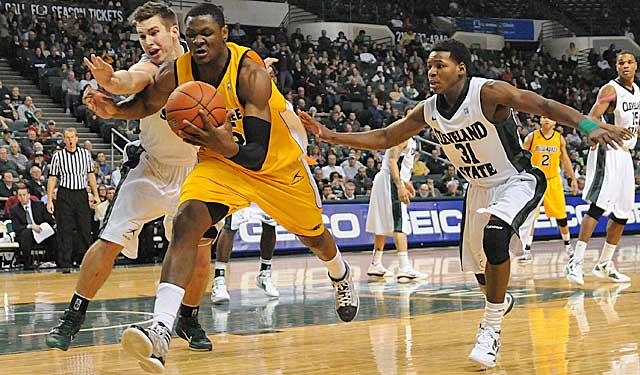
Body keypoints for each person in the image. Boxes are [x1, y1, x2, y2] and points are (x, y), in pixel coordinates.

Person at [298, 39, 629, 369]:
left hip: (516, 180)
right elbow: (387, 137)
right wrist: (331, 136)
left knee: (496, 237)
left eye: (440, 65)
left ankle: (491, 329)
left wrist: (588, 126)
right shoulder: (428, 109)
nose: (432, 71)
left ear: (461, 68)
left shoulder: (487, 93)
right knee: (480, 272)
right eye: (429, 65)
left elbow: (542, 105)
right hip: (477, 189)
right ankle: (498, 300)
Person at [84, 4, 359, 372]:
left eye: (207, 34)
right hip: (221, 164)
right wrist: (113, 110)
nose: (199, 41)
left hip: (274, 167)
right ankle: (161, 330)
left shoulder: (251, 72)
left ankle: (340, 274)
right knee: (187, 222)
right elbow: (147, 102)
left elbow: (257, 153)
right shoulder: (178, 71)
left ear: (225, 33)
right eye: (193, 34)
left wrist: (222, 142)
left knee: (315, 238)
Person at [46, 2, 219, 354]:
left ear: (174, 32)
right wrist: (110, 81)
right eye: (142, 36)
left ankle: (189, 318)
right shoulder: (150, 67)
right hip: (151, 167)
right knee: (108, 240)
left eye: (154, 32)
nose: (148, 41)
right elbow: (131, 79)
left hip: (197, 171)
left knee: (200, 253)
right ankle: (73, 317)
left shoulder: (204, 63)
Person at [565, 51, 639, 285]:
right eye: (621, 63)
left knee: (622, 213)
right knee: (598, 207)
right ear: (615, 67)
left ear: (636, 65)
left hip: (626, 153)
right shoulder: (609, 90)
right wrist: (613, 130)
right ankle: (575, 262)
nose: (625, 66)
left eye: (629, 62)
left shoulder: (637, 91)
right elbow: (590, 118)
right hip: (609, 149)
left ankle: (604, 263)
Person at [365, 137, 427, 281]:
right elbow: (392, 161)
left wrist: (406, 181)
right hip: (391, 181)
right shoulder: (402, 136)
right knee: (399, 222)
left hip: (388, 179)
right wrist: (400, 185)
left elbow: (400, 164)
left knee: (382, 223)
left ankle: (376, 264)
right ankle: (404, 268)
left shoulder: (410, 139)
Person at [519, 116, 578, 262]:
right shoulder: (532, 137)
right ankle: (526, 250)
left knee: (561, 216)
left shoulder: (559, 139)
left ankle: (568, 246)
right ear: (540, 120)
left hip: (553, 180)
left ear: (555, 122)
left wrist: (573, 178)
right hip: (535, 181)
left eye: (550, 118)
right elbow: (521, 156)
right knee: (530, 217)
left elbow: (565, 160)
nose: (546, 120)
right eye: (544, 117)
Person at [45, 127, 99, 272]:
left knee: (85, 229)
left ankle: (87, 261)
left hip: (81, 194)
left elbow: (91, 175)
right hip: (65, 194)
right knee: (65, 230)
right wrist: (50, 199)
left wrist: (96, 195)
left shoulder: (85, 154)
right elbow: (52, 178)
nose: (70, 140)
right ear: (64, 139)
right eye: (67, 137)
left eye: (72, 137)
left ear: (76, 138)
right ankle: (65, 263)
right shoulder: (58, 156)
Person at [211, 203, 279, 303]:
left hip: (264, 189)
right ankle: (219, 280)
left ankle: (265, 274)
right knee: (231, 225)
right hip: (241, 189)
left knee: (270, 223)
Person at [10, 183, 56, 270]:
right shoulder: (14, 209)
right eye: (20, 195)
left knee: (54, 233)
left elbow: (48, 219)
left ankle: (50, 260)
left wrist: (42, 226)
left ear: (29, 195)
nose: (22, 197)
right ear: (17, 197)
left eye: (24, 195)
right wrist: (31, 226)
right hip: (26, 234)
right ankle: (27, 263)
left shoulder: (39, 205)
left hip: (41, 232)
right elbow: (17, 227)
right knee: (26, 233)